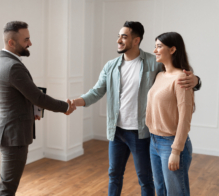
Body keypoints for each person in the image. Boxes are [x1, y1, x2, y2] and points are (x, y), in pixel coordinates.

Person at [71, 21, 201, 196]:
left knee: (146, 180)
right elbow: (96, 92)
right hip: (117, 131)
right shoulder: (111, 66)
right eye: (118, 36)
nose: (119, 40)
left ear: (136, 40)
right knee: (114, 175)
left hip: (141, 133)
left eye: (124, 36)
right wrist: (75, 102)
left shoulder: (153, 63)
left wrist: (196, 80)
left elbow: (177, 73)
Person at [0, 21, 75, 196]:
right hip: (13, 135)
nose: (30, 43)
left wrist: (31, 111)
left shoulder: (0, 62)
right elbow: (37, 97)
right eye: (26, 39)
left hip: (9, 131)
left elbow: (17, 97)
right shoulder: (13, 66)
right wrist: (66, 106)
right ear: (11, 42)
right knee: (8, 187)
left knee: (8, 183)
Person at [146, 32, 195, 196]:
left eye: (159, 46)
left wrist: (175, 151)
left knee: (175, 193)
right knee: (160, 190)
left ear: (173, 49)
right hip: (154, 141)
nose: (155, 50)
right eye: (155, 46)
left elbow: (185, 118)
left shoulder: (182, 78)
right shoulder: (160, 75)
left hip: (171, 143)